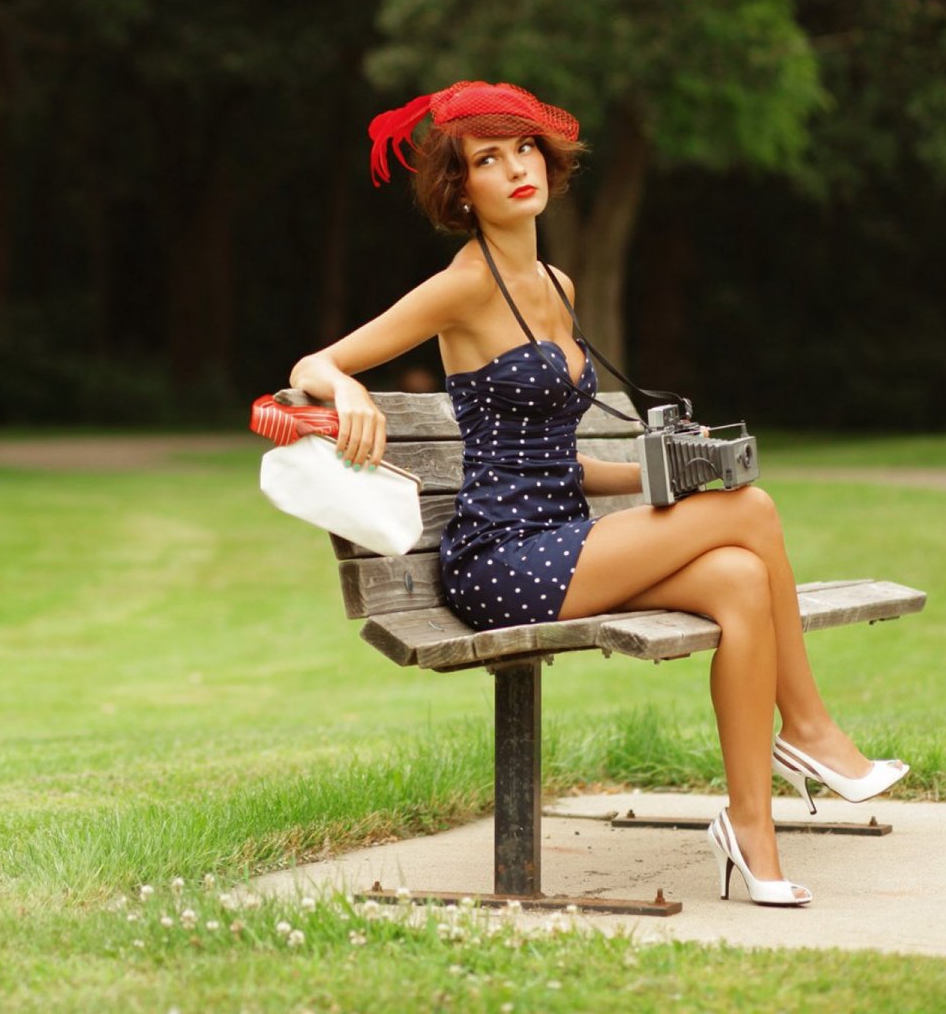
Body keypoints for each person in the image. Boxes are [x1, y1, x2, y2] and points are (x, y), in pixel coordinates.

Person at [288, 81, 908, 907]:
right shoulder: (464, 286)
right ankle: (811, 732)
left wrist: (665, 475)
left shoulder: (558, 285)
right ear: (460, 190)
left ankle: (751, 831)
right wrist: (351, 393)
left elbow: (555, 462)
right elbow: (312, 368)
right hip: (499, 561)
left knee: (741, 577)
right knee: (751, 515)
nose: (515, 169)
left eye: (523, 149)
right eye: (486, 159)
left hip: (562, 535)